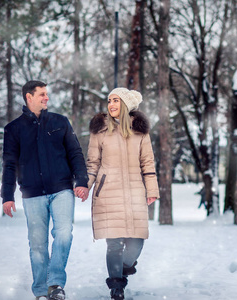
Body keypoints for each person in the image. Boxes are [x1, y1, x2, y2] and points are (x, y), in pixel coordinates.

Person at [0, 80, 89, 300]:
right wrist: (7, 196)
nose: (46, 98)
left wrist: (81, 181)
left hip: (62, 190)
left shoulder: (60, 122)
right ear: (29, 97)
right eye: (41, 94)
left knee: (64, 234)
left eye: (47, 94)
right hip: (32, 194)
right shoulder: (14, 129)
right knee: (38, 245)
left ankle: (55, 284)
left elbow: (75, 153)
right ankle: (40, 291)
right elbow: (10, 164)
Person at [85, 88, 159, 300]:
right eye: (109, 100)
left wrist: (152, 189)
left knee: (137, 241)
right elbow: (92, 163)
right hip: (108, 192)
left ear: (126, 104)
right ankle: (116, 286)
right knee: (114, 242)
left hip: (136, 192)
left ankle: (124, 267)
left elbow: (148, 162)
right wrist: (85, 185)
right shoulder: (100, 130)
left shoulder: (140, 132)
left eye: (116, 100)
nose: (111, 104)